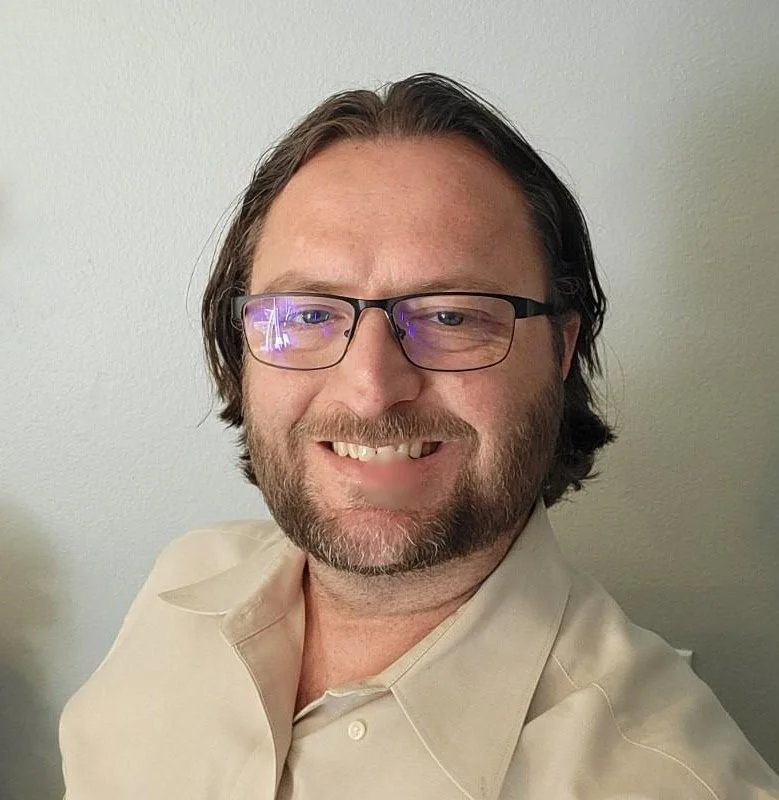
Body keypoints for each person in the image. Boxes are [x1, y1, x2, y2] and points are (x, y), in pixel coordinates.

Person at [59, 73, 779, 798]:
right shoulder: (182, 580)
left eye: (451, 315)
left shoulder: (667, 777)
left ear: (561, 349)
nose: (371, 391)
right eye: (308, 314)